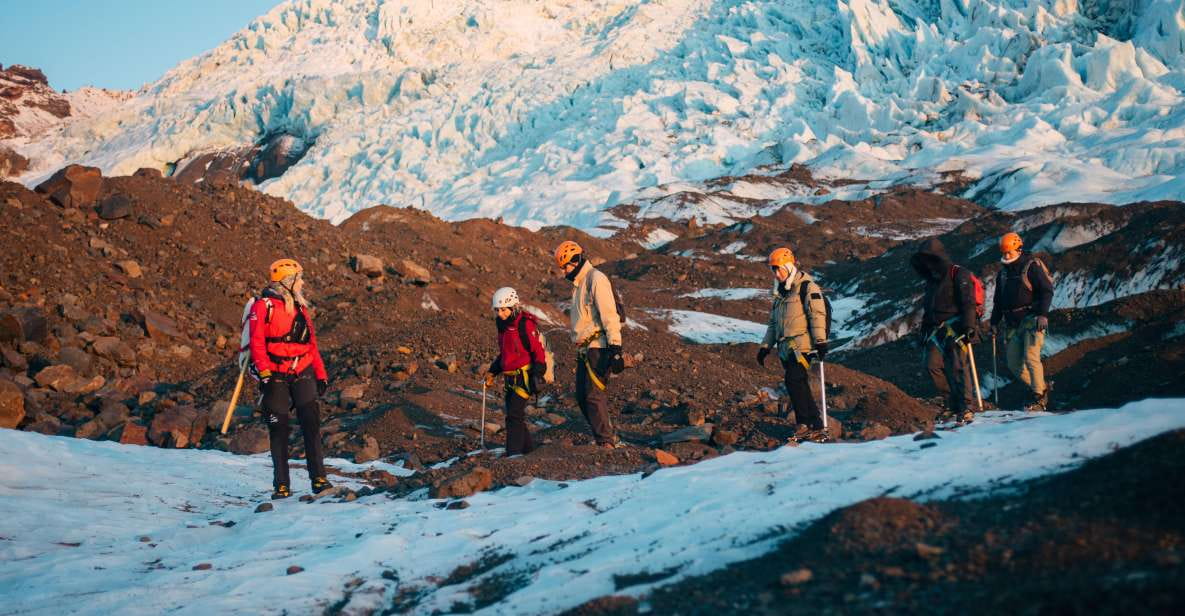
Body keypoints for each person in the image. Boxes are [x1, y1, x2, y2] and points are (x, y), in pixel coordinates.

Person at [248, 258, 332, 499]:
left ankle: (319, 479)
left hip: (302, 370)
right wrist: (264, 373)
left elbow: (311, 344)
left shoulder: (300, 308)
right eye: (300, 278)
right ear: (289, 281)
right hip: (274, 375)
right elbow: (256, 343)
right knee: (279, 429)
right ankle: (281, 485)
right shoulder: (263, 307)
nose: (303, 282)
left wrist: (321, 375)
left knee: (311, 424)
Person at [554, 240, 624, 449]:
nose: (564, 271)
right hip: (585, 349)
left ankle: (606, 443)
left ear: (576, 260)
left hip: (599, 346)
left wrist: (615, 348)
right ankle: (605, 436)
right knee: (582, 397)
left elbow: (609, 314)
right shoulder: (579, 284)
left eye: (566, 266)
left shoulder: (596, 279)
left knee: (593, 396)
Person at [755, 247, 829, 435]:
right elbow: (773, 323)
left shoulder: (807, 287)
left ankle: (804, 423)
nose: (776, 273)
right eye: (774, 269)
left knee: (793, 380)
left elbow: (817, 314)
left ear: (788, 267)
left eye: (779, 268)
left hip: (802, 346)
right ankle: (816, 424)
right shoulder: (781, 293)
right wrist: (765, 347)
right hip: (785, 349)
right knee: (798, 383)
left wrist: (820, 341)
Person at [910, 238, 979, 420]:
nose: (926, 263)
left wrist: (969, 326)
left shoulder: (959, 273)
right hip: (936, 330)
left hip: (956, 327)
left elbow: (968, 302)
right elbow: (929, 308)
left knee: (958, 367)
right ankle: (952, 403)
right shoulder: (931, 279)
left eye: (928, 259)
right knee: (932, 366)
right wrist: (924, 331)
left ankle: (966, 407)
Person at [989, 232, 1055, 411]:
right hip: (1012, 324)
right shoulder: (1003, 274)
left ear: (1018, 249)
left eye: (1009, 253)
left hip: (1032, 320)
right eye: (1004, 253)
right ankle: (1041, 387)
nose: (1006, 256)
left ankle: (1038, 397)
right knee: (1014, 364)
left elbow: (1046, 291)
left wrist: (1042, 314)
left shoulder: (1031, 267)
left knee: (1031, 357)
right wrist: (994, 323)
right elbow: (998, 302)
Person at [484, 287, 546, 455]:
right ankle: (527, 451)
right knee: (515, 415)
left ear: (514, 307)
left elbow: (538, 351)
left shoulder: (524, 324)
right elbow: (505, 354)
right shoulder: (503, 327)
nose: (500, 314)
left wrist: (538, 374)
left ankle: (514, 453)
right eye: (497, 310)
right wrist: (492, 372)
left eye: (504, 310)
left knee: (513, 415)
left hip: (524, 377)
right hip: (509, 379)